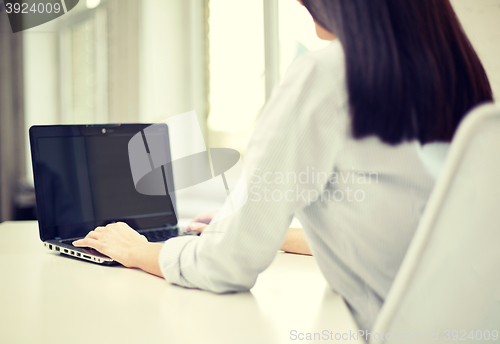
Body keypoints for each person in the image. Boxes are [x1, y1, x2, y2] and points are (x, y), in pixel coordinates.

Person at [74, 0, 493, 331]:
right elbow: (410, 238)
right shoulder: (457, 74)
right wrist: (268, 229)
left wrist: (139, 250)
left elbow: (227, 266)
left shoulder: (327, 75)